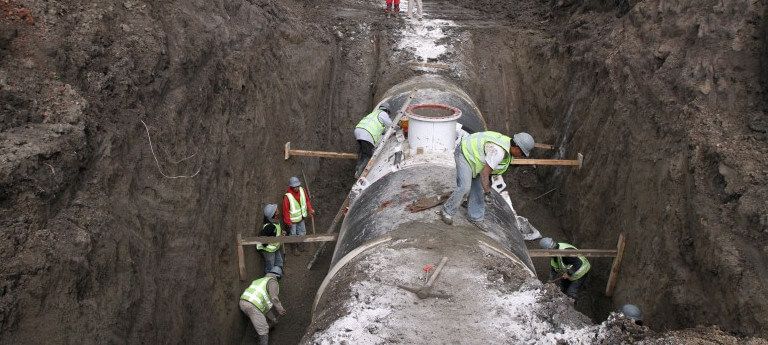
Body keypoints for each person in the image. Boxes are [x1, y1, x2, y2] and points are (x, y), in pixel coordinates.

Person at [439, 131, 534, 226]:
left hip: (475, 161)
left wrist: (485, 188)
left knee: (478, 189)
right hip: (464, 153)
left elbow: (488, 172)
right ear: (517, 147)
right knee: (465, 186)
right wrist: (488, 192)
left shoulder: (506, 146)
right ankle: (447, 211)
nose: (521, 156)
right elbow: (484, 174)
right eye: (522, 153)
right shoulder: (498, 152)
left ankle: (475, 217)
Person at [239, 267, 286, 345]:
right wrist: (280, 309)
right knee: (263, 329)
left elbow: (265, 306)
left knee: (261, 322)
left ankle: (266, 327)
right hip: (252, 306)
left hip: (243, 302)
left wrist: (273, 319)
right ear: (278, 276)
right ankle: (262, 339)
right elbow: (274, 298)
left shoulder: (260, 281)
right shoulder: (272, 282)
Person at [354, 102, 395, 178]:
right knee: (368, 155)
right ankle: (359, 173)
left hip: (358, 130)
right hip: (367, 134)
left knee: (363, 152)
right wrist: (396, 129)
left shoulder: (374, 113)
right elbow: (391, 125)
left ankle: (357, 169)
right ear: (387, 111)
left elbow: (380, 130)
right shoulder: (383, 114)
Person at [282, 176, 315, 254]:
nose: (297, 188)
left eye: (298, 186)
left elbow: (307, 201)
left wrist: (310, 209)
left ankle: (300, 245)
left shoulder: (302, 190)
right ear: (291, 187)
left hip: (301, 217)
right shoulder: (287, 197)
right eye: (295, 187)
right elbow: (285, 211)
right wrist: (288, 222)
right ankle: (294, 248)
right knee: (293, 235)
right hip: (292, 220)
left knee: (302, 232)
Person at [258, 204, 283, 274]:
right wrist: (267, 244)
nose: (278, 210)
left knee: (279, 261)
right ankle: (269, 279)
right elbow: (262, 237)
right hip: (268, 250)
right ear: (274, 214)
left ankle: (277, 275)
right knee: (270, 266)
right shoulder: (270, 226)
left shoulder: (275, 222)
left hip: (275, 247)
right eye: (276, 210)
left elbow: (276, 232)